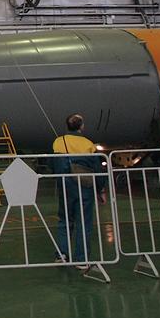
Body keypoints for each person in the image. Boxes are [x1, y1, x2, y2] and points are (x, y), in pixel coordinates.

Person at [51, 114, 107, 270]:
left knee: (64, 221)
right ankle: (82, 259)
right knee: (84, 223)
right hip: (85, 188)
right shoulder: (88, 144)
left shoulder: (59, 142)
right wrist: (100, 189)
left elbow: (53, 163)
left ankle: (62, 255)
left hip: (65, 187)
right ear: (81, 126)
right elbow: (97, 169)